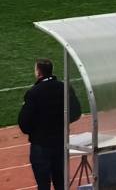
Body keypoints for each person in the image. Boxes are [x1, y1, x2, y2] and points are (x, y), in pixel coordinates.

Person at [19, 58, 82, 190]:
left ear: (38, 72)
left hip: (41, 145)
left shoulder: (33, 92)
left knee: (43, 185)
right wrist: (62, 122)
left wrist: (36, 131)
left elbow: (24, 123)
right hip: (60, 143)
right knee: (61, 183)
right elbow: (76, 112)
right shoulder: (64, 88)